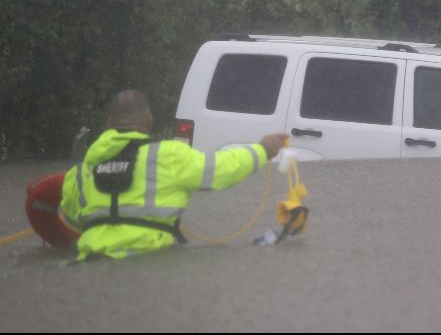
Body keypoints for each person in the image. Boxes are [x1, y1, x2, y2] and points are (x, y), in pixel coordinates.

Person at [59, 90, 288, 261]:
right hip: (148, 259)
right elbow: (219, 169)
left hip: (89, 262)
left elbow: (70, 218)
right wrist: (262, 150)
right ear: (149, 120)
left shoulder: (79, 171)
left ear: (109, 123)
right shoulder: (168, 155)